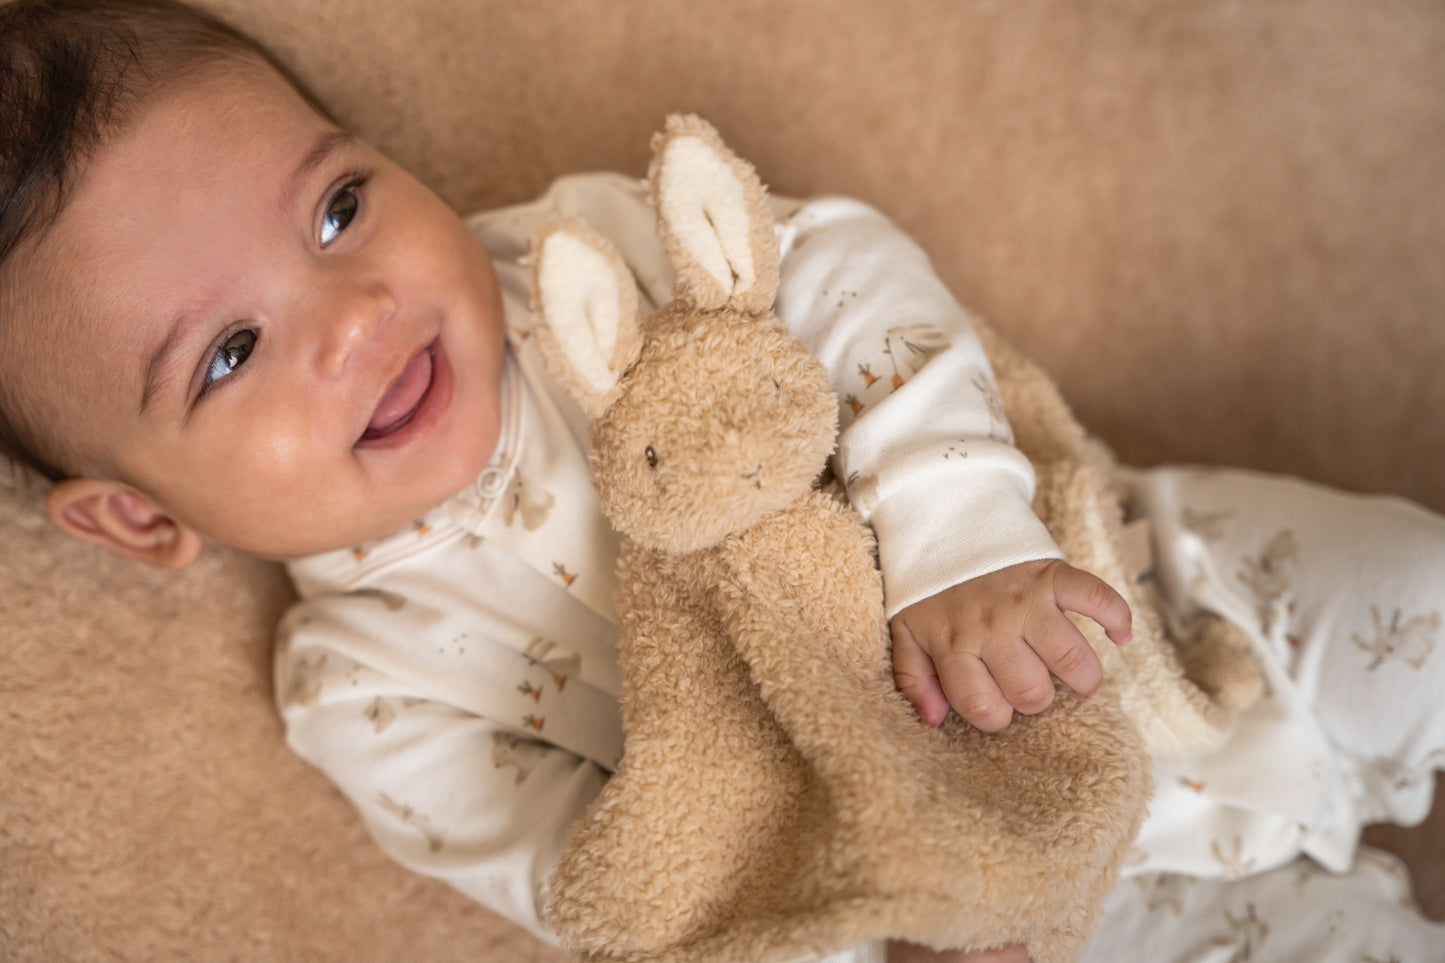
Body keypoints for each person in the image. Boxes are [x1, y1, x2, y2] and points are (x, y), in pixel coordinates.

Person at [2, 2, 1442, 961]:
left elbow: (837, 265)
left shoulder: (573, 258)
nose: (355, 314)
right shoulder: (369, 695)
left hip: (1144, 591)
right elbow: (647, 896)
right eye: (233, 352)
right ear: (140, 517)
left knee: (1415, 604)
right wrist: (897, 924)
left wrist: (957, 538)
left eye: (336, 206)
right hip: (1054, 900)